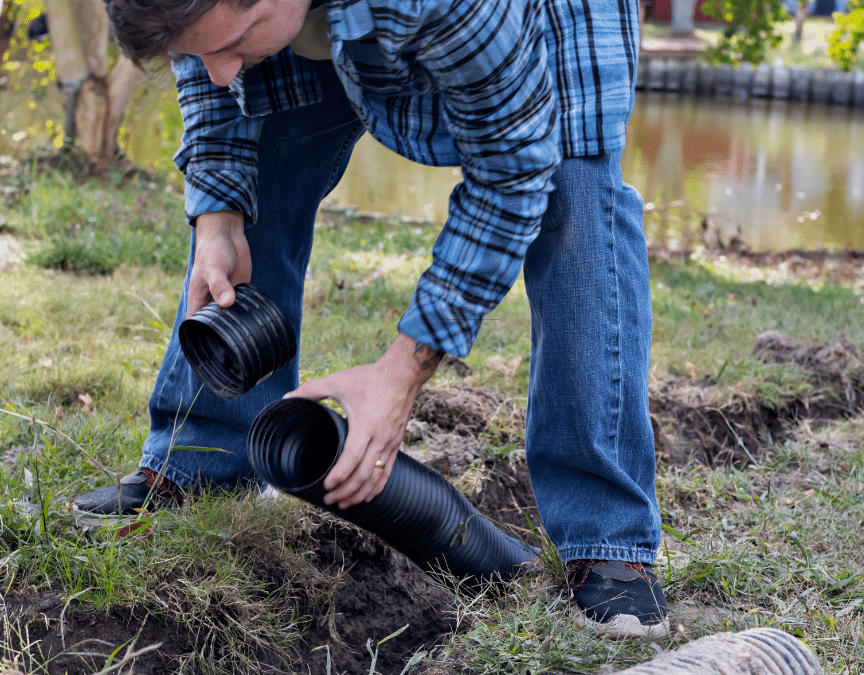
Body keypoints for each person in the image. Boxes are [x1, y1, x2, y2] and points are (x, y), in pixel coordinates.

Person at [74, 0, 668, 638]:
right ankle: (208, 458)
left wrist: (402, 372)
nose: (217, 72)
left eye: (235, 39)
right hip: (326, 17)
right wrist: (219, 214)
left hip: (535, 21)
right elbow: (208, 63)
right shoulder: (221, 24)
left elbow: (515, 169)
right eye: (199, 52)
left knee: (573, 194)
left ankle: (608, 541)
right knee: (265, 144)